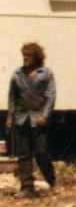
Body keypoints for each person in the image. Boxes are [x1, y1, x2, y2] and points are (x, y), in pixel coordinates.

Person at [7, 42, 56, 196]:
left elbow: (50, 97)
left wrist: (45, 115)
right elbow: (12, 97)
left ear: (37, 57)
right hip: (21, 118)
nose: (25, 59)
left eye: (28, 56)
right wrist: (10, 116)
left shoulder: (46, 73)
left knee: (41, 152)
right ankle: (27, 187)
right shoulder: (17, 74)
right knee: (23, 154)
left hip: (38, 119)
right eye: (24, 56)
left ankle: (52, 181)